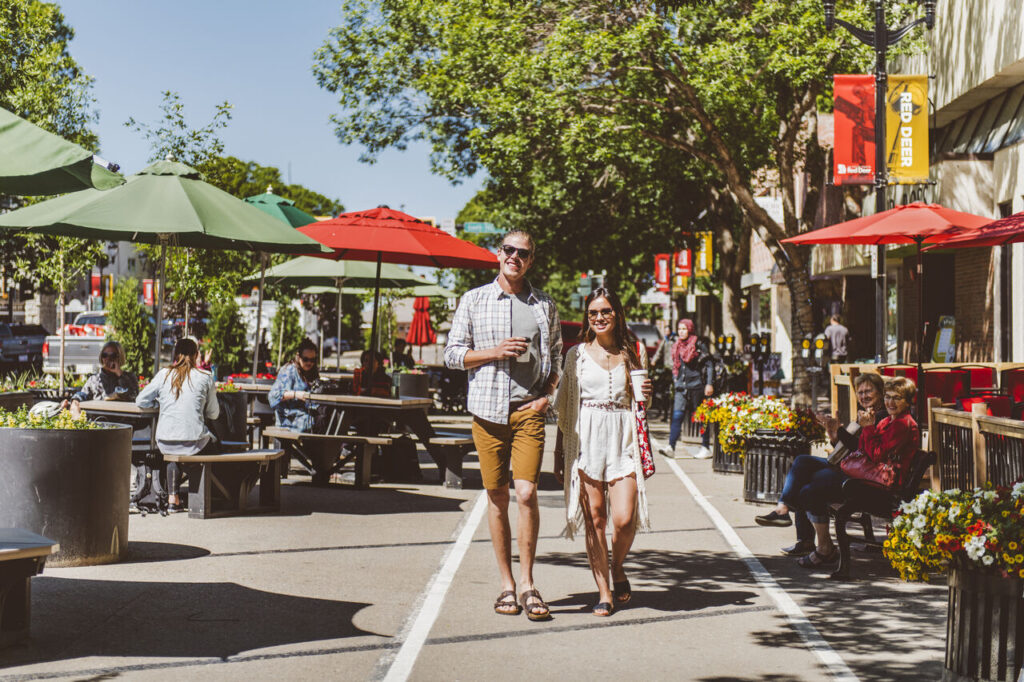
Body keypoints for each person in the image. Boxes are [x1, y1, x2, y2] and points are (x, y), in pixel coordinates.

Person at [444, 229, 561, 621]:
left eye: (523, 253)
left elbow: (557, 357)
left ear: (531, 260)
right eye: (509, 250)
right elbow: (452, 355)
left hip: (529, 411)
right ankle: (506, 584)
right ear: (498, 254)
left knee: (526, 494)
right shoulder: (474, 299)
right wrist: (494, 352)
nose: (515, 257)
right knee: (496, 497)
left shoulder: (544, 305)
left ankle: (528, 584)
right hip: (487, 413)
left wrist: (548, 398)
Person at [554, 288, 652, 617]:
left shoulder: (633, 352)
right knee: (595, 519)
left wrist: (647, 396)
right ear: (587, 317)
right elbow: (565, 410)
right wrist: (559, 454)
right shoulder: (576, 356)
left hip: (622, 438)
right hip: (586, 439)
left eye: (606, 311)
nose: (599, 317)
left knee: (624, 520)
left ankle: (618, 565)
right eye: (593, 312)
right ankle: (604, 590)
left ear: (617, 313)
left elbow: (641, 405)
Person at [755, 377, 919, 569]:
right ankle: (793, 519)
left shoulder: (896, 422)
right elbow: (862, 450)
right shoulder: (883, 419)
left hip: (878, 486)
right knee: (805, 470)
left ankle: (821, 546)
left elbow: (872, 454)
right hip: (863, 474)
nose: (890, 402)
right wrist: (836, 435)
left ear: (907, 401)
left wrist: (865, 428)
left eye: (896, 398)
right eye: (888, 397)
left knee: (812, 482)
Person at [136, 338, 220, 513]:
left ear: (175, 355)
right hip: (194, 442)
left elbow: (141, 400)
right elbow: (214, 414)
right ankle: (217, 494)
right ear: (197, 355)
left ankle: (173, 498)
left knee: (175, 449)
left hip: (164, 442)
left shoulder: (163, 374)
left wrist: (159, 406)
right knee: (213, 442)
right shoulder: (205, 377)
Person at [659, 319, 714, 459]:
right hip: (681, 387)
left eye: (684, 329)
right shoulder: (677, 345)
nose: (681, 331)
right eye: (679, 329)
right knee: (677, 416)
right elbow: (675, 365)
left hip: (697, 386)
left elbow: (709, 364)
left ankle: (706, 447)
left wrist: (709, 383)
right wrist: (675, 379)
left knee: (701, 417)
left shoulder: (698, 344)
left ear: (690, 329)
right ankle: (671, 446)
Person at [62, 341, 139, 418]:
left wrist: (119, 374)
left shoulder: (129, 377)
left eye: (113, 356)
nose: (108, 359)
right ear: (101, 358)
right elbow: (83, 394)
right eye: (105, 355)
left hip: (123, 420)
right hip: (99, 420)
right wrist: (75, 401)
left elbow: (134, 396)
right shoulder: (94, 379)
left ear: (120, 357)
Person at [268, 339, 320, 432]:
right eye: (305, 359)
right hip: (289, 421)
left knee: (329, 420)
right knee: (318, 425)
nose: (309, 363)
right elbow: (273, 395)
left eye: (313, 360)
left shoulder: (312, 372)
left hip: (307, 417)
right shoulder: (289, 371)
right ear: (298, 357)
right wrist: (296, 394)